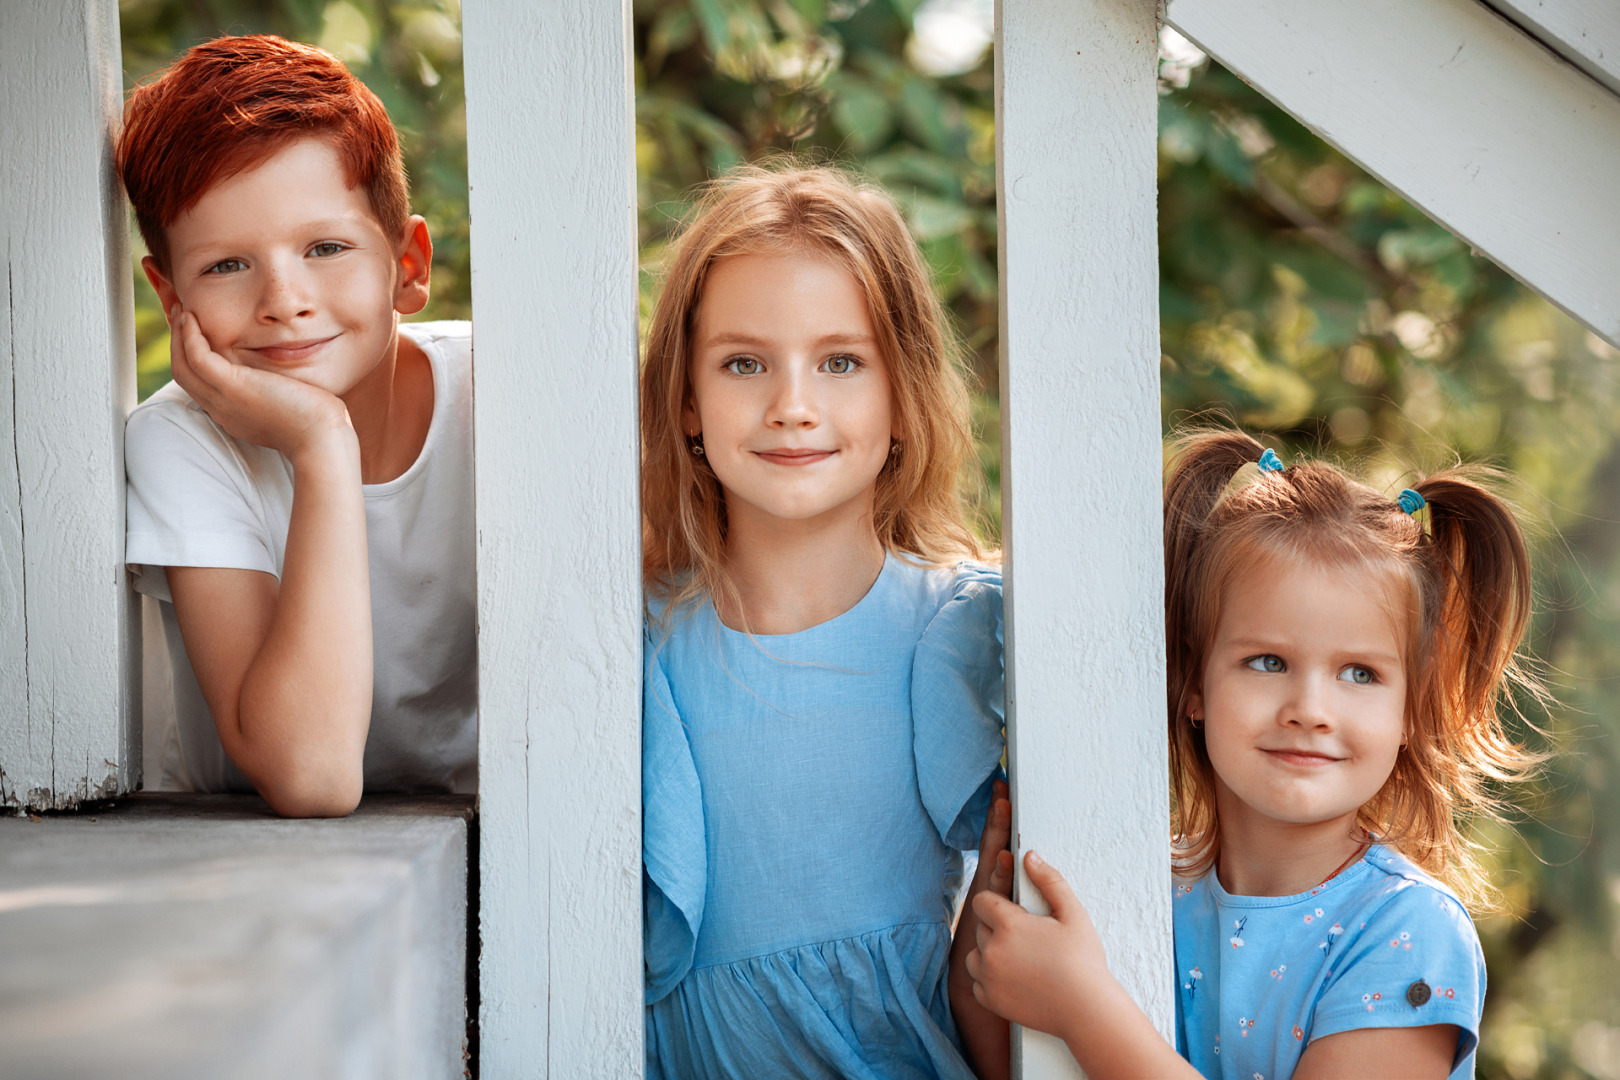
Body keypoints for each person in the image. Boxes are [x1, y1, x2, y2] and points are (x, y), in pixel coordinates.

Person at [965, 430, 1542, 1080]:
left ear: (1411, 711)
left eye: (1359, 673)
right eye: (1267, 662)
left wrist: (1082, 1008)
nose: (1310, 708)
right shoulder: (1135, 883)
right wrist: (993, 917)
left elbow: (1077, 1022)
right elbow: (1007, 1058)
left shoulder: (1407, 931)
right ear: (1192, 682)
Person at [639, 164, 1012, 1079]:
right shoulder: (634, 643)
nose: (792, 406)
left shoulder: (961, 629)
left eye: (840, 362)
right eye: (743, 363)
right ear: (687, 399)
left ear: (901, 395)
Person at [119, 35, 475, 818]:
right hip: (248, 863)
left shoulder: (496, 398)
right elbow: (311, 776)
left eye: (326, 247)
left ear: (408, 267)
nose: (284, 298)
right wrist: (320, 444)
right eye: (226, 265)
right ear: (171, 296)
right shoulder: (180, 442)